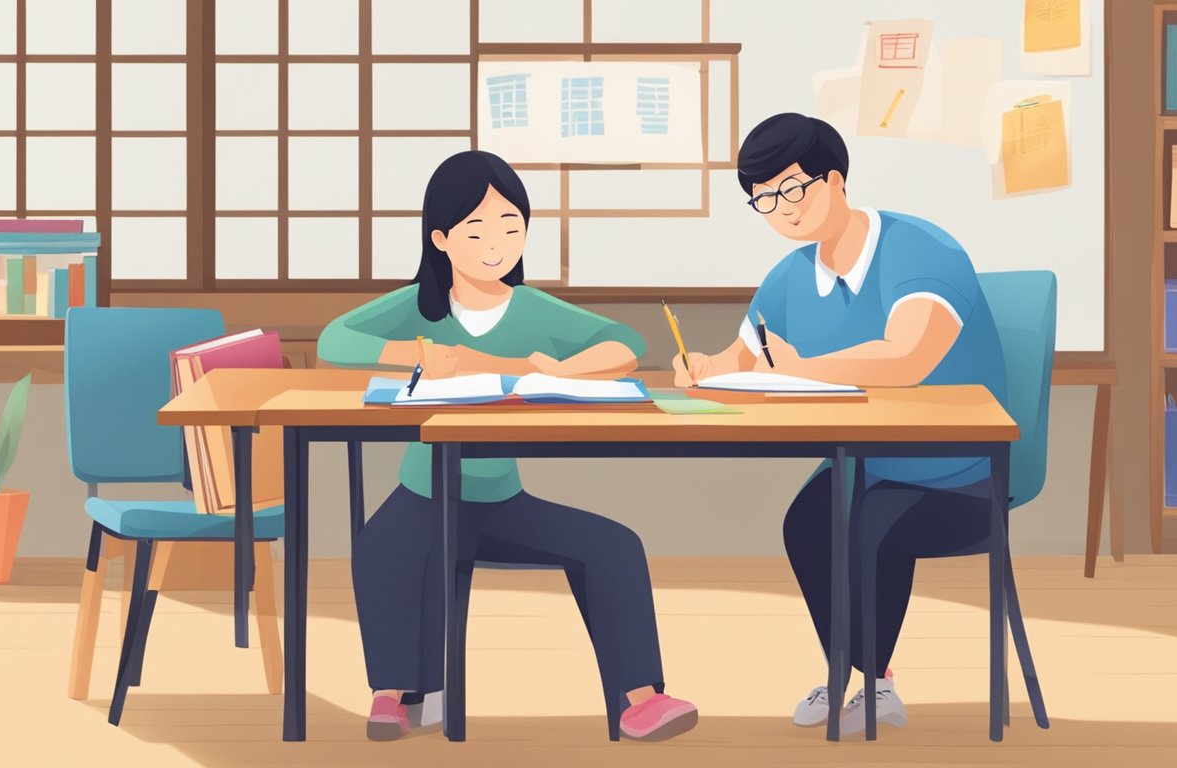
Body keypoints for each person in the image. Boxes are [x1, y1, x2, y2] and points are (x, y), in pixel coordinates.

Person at [319, 150, 697, 742]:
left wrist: (538, 366)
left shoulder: (531, 308)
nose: (495, 244)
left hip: (502, 504)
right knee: (378, 551)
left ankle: (641, 700)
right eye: (475, 229)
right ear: (441, 238)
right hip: (424, 492)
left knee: (615, 548)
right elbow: (334, 340)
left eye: (510, 226)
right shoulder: (421, 304)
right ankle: (392, 696)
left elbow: (624, 345)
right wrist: (413, 354)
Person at [673, 113, 1007, 735]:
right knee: (807, 523)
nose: (783, 208)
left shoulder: (921, 250)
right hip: (869, 460)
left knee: (869, 528)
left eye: (793, 188)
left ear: (835, 179)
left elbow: (909, 357)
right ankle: (843, 676)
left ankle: (875, 687)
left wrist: (808, 370)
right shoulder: (789, 277)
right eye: (764, 198)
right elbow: (741, 359)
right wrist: (701, 367)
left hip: (962, 468)